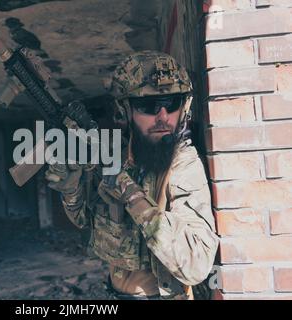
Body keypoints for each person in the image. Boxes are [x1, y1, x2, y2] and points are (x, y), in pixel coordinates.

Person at [45, 51, 219, 300]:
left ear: (184, 107)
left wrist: (131, 193)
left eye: (171, 104)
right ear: (124, 110)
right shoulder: (118, 154)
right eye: (147, 106)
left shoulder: (183, 164)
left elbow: (196, 264)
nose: (162, 116)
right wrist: (71, 186)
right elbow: (86, 220)